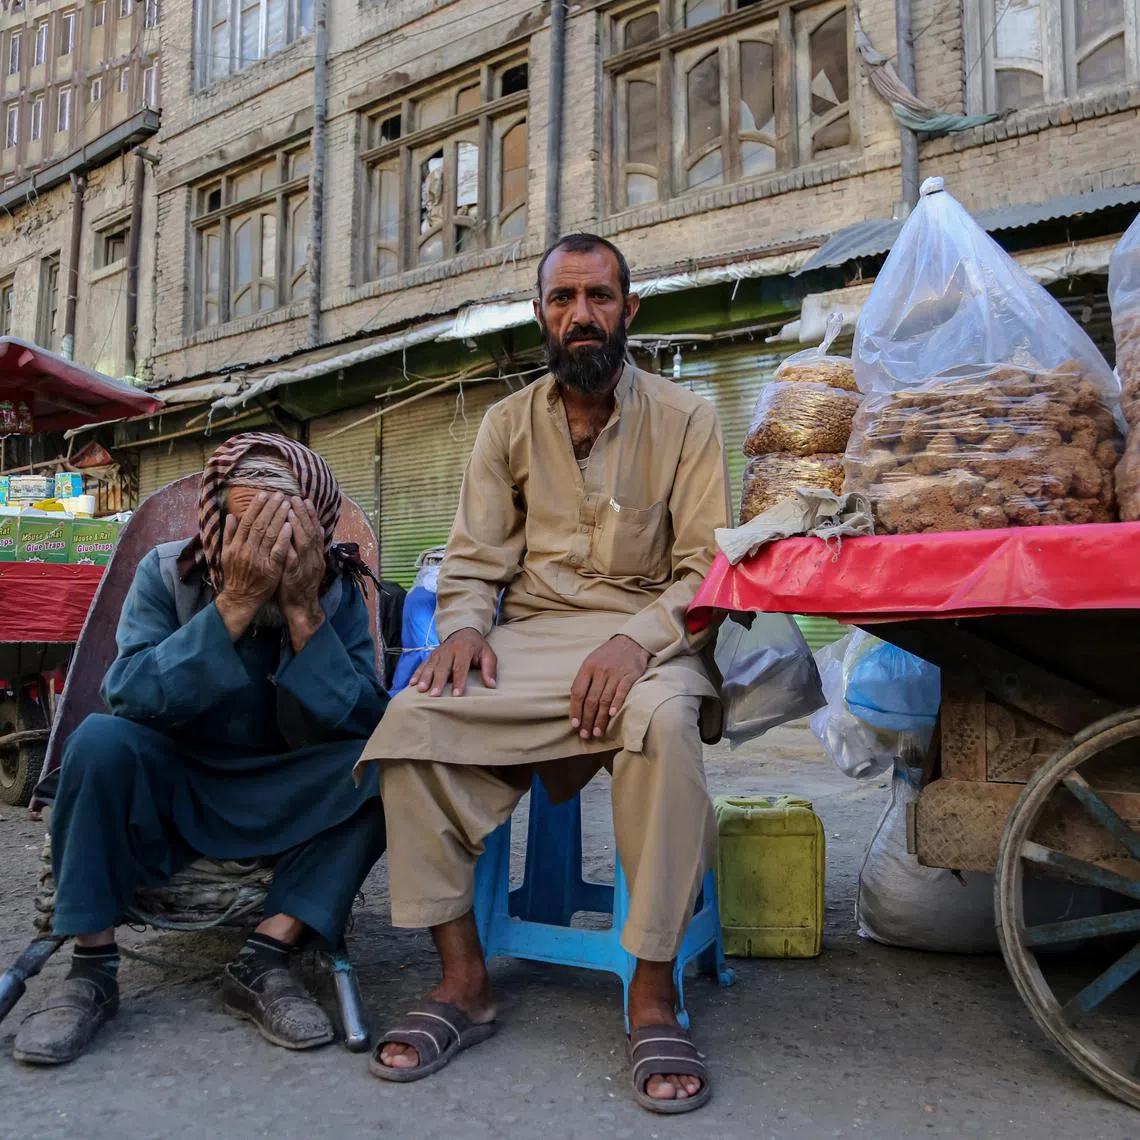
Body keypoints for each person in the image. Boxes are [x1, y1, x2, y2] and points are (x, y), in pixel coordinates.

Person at [358, 234, 730, 1114]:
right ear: (542, 315)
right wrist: (458, 627)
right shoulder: (505, 424)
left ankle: (649, 990)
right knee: (413, 719)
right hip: (529, 641)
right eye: (562, 299)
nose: (581, 316)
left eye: (599, 297)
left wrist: (636, 642)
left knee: (668, 725)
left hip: (650, 641)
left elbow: (707, 572)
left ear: (629, 312)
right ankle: (464, 980)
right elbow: (476, 557)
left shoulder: (688, 418)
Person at [14, 435, 389, 1066]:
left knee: (389, 763)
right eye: (246, 525)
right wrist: (235, 604)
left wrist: (303, 614)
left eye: (285, 531)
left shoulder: (336, 592)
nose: (263, 548)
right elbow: (127, 694)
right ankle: (91, 968)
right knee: (99, 740)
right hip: (176, 788)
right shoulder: (166, 573)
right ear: (215, 519)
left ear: (318, 531)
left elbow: (363, 719)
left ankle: (266, 957)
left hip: (280, 793)